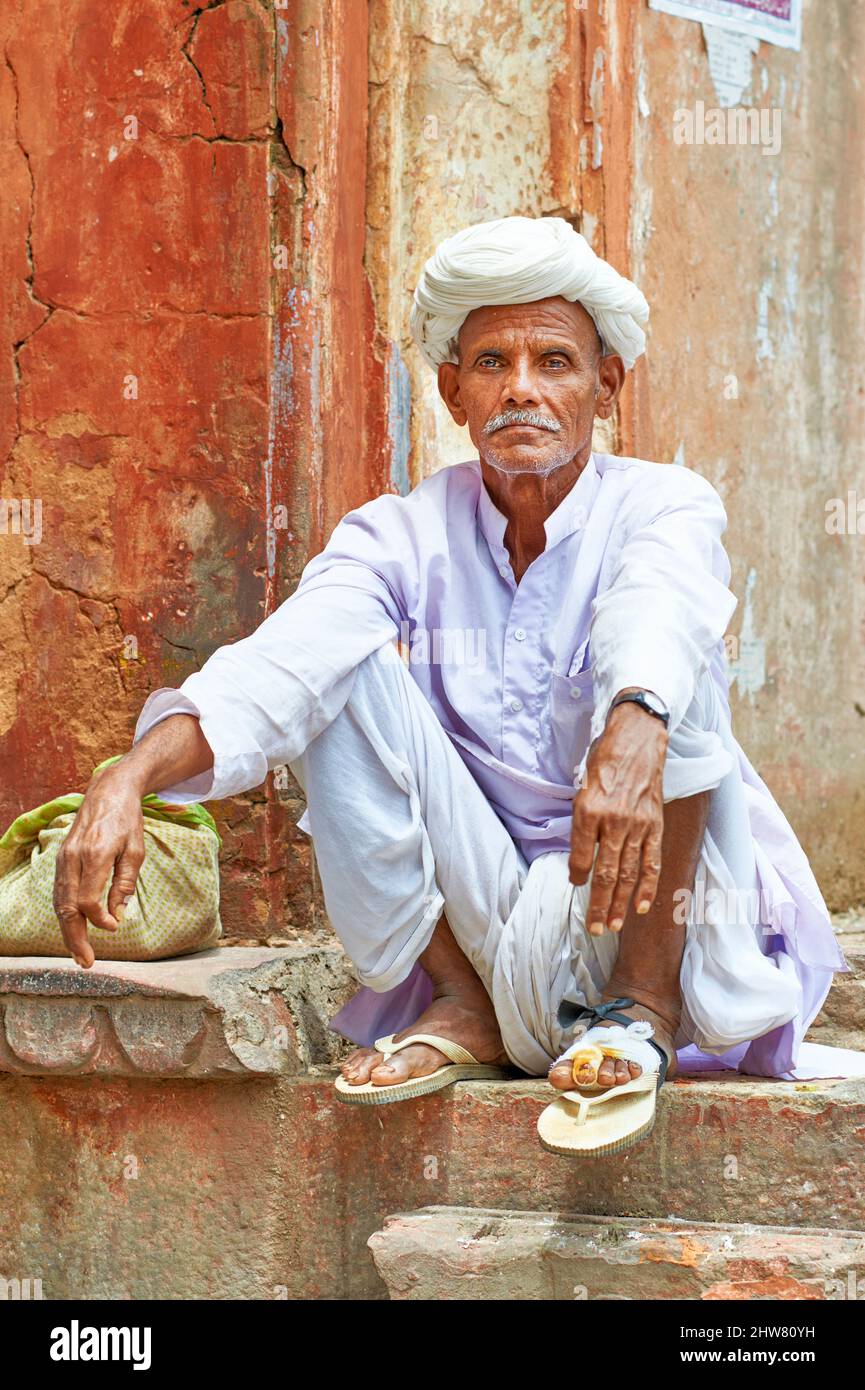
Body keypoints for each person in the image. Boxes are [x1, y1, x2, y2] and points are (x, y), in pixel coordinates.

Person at [53, 217, 852, 1151]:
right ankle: (462, 1004)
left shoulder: (661, 504)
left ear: (606, 384)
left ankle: (641, 1012)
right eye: (490, 363)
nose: (521, 388)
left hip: (648, 919)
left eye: (554, 360)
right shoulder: (399, 533)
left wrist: (635, 721)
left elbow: (659, 604)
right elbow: (280, 664)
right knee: (335, 667)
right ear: (452, 390)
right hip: (491, 916)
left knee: (677, 674)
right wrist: (128, 777)